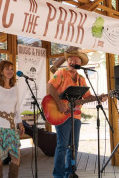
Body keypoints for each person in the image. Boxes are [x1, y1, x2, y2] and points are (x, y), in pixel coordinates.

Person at [47, 50, 107, 178]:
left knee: (73, 146)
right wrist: (59, 103)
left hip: (77, 116)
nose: (72, 62)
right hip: (61, 115)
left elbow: (86, 97)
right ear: (68, 62)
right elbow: (50, 87)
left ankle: (70, 173)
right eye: (70, 60)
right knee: (62, 145)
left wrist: (98, 97)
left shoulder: (81, 78)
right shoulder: (61, 73)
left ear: (80, 63)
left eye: (76, 60)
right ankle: (58, 175)